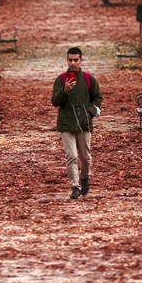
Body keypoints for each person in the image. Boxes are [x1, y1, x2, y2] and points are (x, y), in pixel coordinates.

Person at [51, 47, 102, 199]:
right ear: (67, 60)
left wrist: (89, 111)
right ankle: (75, 186)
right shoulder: (60, 80)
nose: (73, 63)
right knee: (71, 155)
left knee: (86, 157)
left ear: (81, 60)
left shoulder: (88, 79)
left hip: (84, 123)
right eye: (70, 60)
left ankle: (85, 178)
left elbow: (98, 98)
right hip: (66, 123)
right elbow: (54, 102)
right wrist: (64, 90)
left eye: (75, 60)